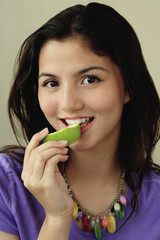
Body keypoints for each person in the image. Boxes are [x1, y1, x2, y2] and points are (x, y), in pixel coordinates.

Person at [0, 2, 160, 240]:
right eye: (51, 83)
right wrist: (56, 217)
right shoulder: (7, 182)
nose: (68, 103)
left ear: (128, 86)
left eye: (90, 79)